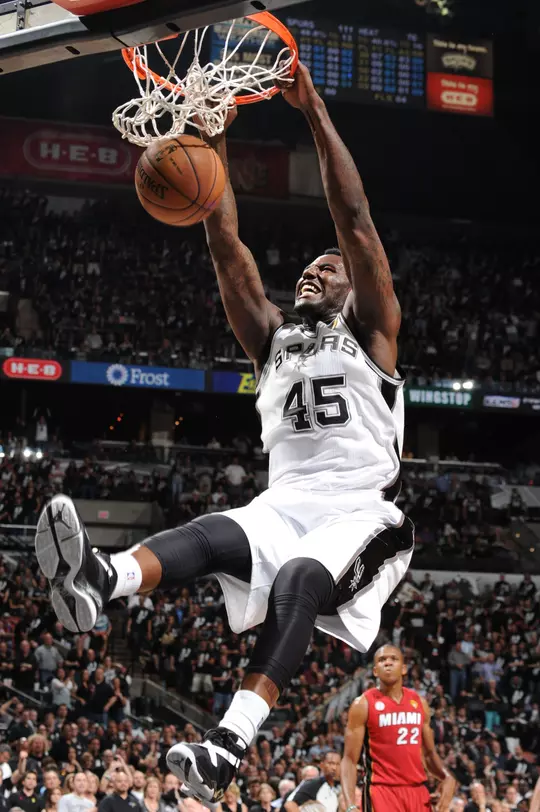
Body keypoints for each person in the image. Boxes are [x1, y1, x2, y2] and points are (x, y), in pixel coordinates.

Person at [35, 60, 412, 805]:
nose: (316, 271)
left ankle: (229, 742)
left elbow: (356, 221)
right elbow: (227, 246)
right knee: (214, 534)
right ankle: (102, 579)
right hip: (287, 498)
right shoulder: (271, 337)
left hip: (363, 510)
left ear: (353, 288)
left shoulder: (372, 334)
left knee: (302, 578)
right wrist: (207, 152)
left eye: (328, 270)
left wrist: (310, 111)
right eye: (308, 267)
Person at [341, 645, 456, 812]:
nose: (387, 663)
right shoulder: (363, 704)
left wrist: (446, 777)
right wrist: (350, 805)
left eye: (393, 659)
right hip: (381, 791)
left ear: (403, 669)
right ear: (375, 671)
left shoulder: (419, 703)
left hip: (417, 791)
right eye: (382, 660)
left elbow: (429, 754)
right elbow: (349, 759)